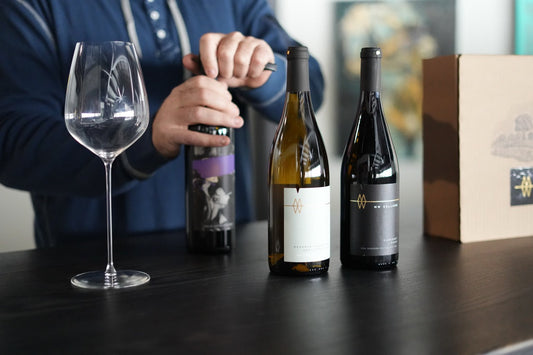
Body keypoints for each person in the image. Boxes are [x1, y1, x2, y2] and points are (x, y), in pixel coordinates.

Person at [0, 0, 324, 247]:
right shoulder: (30, 6)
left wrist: (262, 70)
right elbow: (12, 144)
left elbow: (313, 83)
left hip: (229, 259)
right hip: (89, 273)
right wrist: (145, 138)